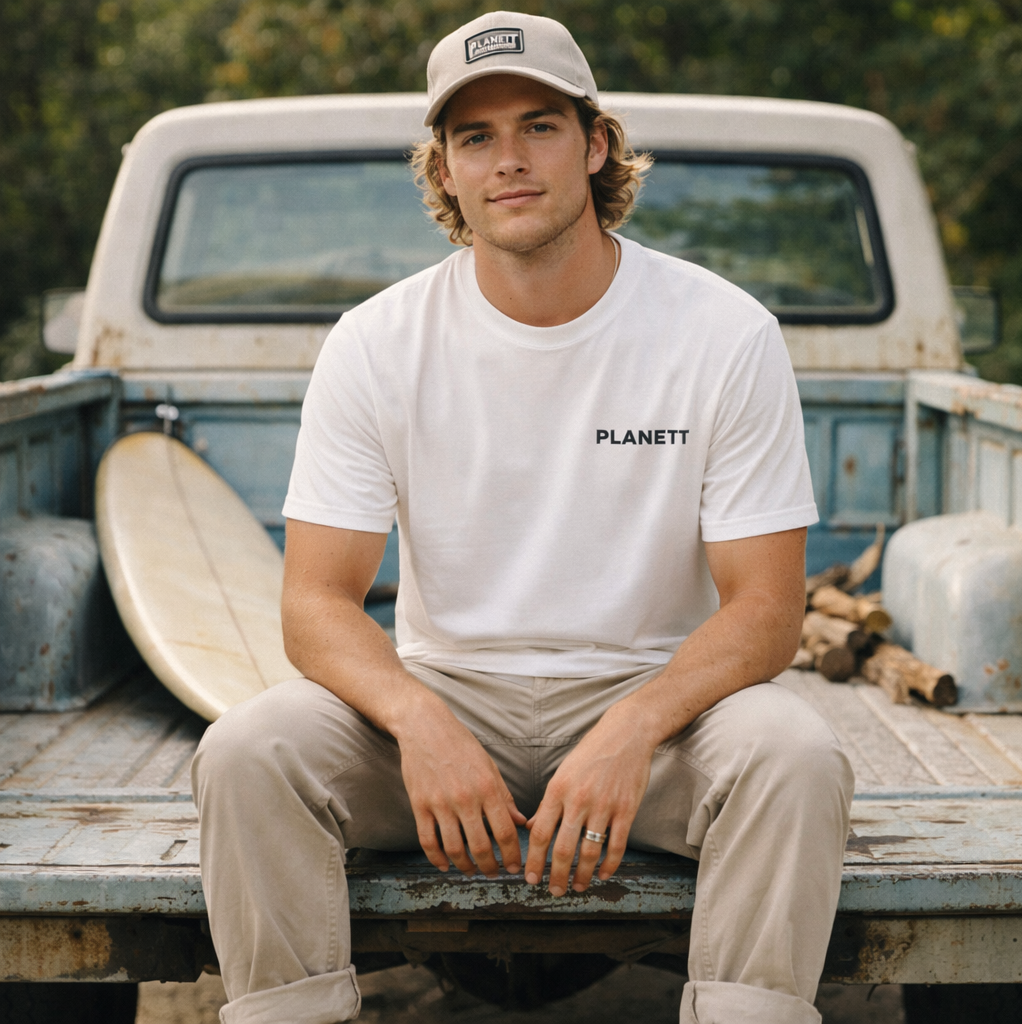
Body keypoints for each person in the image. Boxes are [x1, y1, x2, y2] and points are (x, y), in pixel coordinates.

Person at [192, 11, 854, 1024]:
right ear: (443, 171)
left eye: (539, 126)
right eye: (474, 137)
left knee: (795, 758)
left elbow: (766, 610)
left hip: (656, 703)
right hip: (450, 691)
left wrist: (631, 726)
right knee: (248, 753)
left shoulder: (722, 333)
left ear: (595, 145)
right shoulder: (377, 342)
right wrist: (419, 720)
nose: (508, 160)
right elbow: (314, 604)